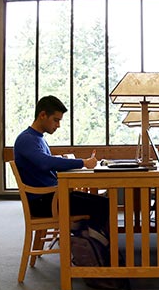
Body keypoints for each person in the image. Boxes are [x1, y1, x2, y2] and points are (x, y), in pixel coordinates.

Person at [14, 95, 109, 233]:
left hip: (51, 197)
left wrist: (61, 159)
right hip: (43, 202)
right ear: (42, 115)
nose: (58, 125)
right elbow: (45, 163)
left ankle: (90, 242)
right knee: (102, 205)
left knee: (103, 203)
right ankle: (95, 248)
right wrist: (83, 162)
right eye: (56, 120)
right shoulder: (26, 139)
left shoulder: (37, 138)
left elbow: (43, 161)